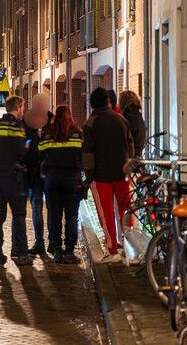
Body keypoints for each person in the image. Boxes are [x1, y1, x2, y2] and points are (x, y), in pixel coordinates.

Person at [0, 96, 33, 266]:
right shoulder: (17, 127)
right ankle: (21, 254)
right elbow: (21, 153)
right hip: (13, 176)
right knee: (18, 215)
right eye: (22, 108)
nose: (23, 111)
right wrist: (27, 145)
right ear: (17, 108)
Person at [83, 87, 134, 263]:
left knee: (106, 214)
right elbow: (130, 145)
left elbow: (88, 154)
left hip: (101, 176)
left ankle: (112, 249)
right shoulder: (121, 119)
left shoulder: (91, 124)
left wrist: (89, 177)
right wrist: (128, 167)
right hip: (122, 174)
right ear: (108, 102)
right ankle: (129, 246)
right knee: (125, 210)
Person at [40, 105, 84, 264]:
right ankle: (70, 251)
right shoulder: (78, 133)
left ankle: (56, 250)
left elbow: (40, 154)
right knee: (72, 217)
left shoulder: (48, 134)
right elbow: (83, 156)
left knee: (53, 216)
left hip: (52, 180)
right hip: (72, 180)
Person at [22, 93, 52, 255]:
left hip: (47, 171)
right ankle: (42, 242)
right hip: (35, 173)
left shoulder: (53, 121)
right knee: (38, 208)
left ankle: (49, 242)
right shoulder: (27, 122)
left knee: (47, 209)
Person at [119, 90, 146, 157]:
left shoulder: (128, 118)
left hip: (129, 159)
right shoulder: (138, 116)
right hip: (138, 156)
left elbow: (123, 139)